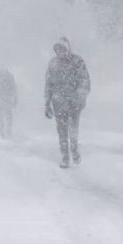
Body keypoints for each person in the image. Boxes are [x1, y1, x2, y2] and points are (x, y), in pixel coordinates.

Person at [44, 37, 90, 168]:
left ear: (68, 48)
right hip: (58, 103)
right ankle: (65, 156)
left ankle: (74, 151)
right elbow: (48, 85)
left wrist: (81, 97)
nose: (61, 52)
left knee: (73, 129)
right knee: (61, 131)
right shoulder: (52, 64)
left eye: (63, 49)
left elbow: (85, 80)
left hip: (74, 103)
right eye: (58, 50)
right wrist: (47, 103)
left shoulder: (77, 61)